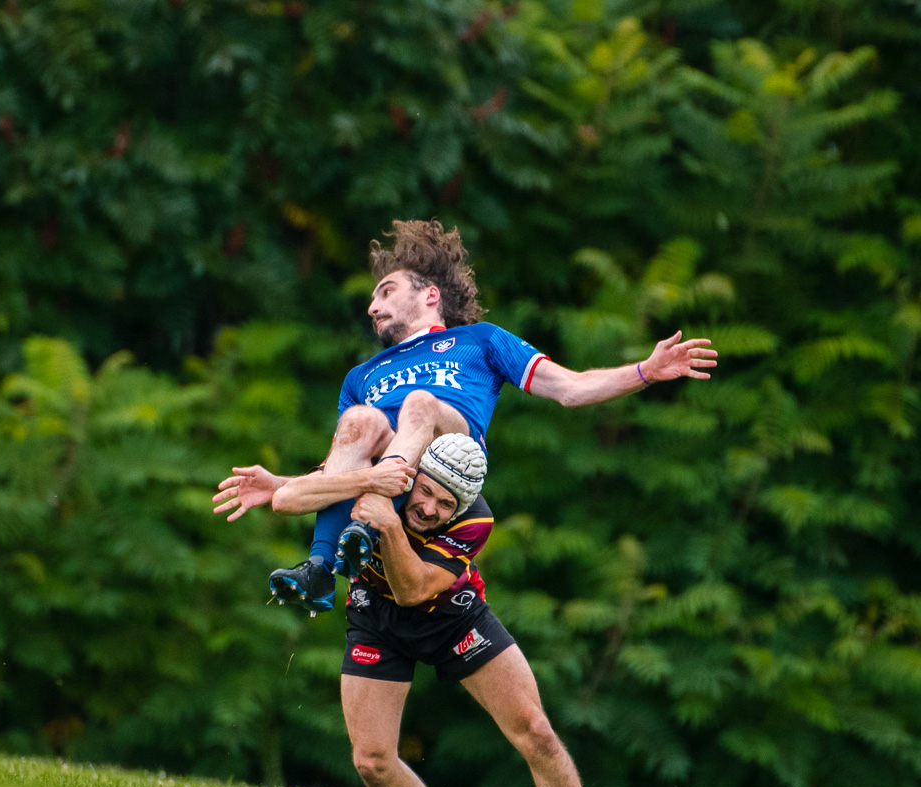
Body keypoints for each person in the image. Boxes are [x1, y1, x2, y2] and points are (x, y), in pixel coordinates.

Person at [213, 218, 716, 607]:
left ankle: (370, 523)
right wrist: (280, 484)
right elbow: (340, 469)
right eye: (372, 298)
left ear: (430, 295)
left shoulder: (480, 341)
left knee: (420, 402)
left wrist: (646, 371)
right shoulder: (361, 375)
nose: (372, 306)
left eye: (386, 292)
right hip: (388, 475)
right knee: (359, 421)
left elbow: (570, 388)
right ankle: (321, 569)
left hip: (450, 455)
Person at [265, 433, 600, 787]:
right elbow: (309, 491)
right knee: (371, 762)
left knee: (536, 731)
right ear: (412, 475)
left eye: (446, 504)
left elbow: (413, 590)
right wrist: (278, 483)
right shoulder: (385, 472)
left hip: (452, 616)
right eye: (425, 492)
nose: (428, 509)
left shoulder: (476, 520)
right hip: (375, 617)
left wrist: (389, 524)